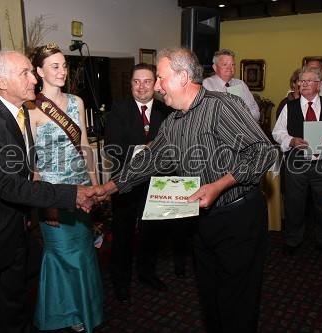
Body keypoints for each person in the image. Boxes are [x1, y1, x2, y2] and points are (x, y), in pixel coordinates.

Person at [88, 47, 276, 332]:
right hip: (202, 221)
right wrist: (106, 188)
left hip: (239, 220)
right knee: (211, 299)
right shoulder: (174, 122)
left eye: (161, 78)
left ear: (184, 77)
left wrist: (220, 184)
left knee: (236, 302)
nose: (158, 86)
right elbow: (149, 161)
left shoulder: (221, 106)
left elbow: (263, 153)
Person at [0, 50, 94, 333]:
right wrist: (70, 194)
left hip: (13, 231)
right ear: (2, 82)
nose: (33, 80)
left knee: (16, 308)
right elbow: (8, 185)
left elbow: (27, 169)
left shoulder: (19, 113)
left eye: (32, 71)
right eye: (25, 73)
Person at [27, 43, 103, 332]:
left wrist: (95, 187)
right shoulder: (31, 108)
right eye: (54, 66)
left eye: (64, 65)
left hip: (81, 191)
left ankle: (85, 309)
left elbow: (84, 146)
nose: (61, 71)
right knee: (62, 255)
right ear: (39, 70)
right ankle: (67, 314)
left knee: (83, 253)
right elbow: (32, 166)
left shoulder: (76, 102)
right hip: (53, 196)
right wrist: (44, 204)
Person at [103, 63, 174, 304]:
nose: (141, 87)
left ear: (155, 84)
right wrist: (145, 150)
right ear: (130, 84)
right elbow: (111, 146)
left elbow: (172, 147)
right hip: (125, 183)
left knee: (151, 233)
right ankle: (120, 282)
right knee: (122, 235)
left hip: (156, 183)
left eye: (147, 81)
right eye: (136, 81)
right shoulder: (119, 109)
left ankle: (147, 274)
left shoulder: (168, 111)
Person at [272, 66, 322, 259]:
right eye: (301, 81)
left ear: (318, 85)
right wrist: (291, 140)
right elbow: (277, 132)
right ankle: (292, 240)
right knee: (294, 204)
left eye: (309, 81)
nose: (304, 84)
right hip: (296, 165)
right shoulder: (289, 107)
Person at [203, 49, 261, 122]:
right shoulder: (206, 85)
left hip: (242, 129)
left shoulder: (241, 84)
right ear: (215, 67)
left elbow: (255, 110)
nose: (229, 68)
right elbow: (204, 114)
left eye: (232, 64)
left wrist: (244, 118)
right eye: (225, 64)